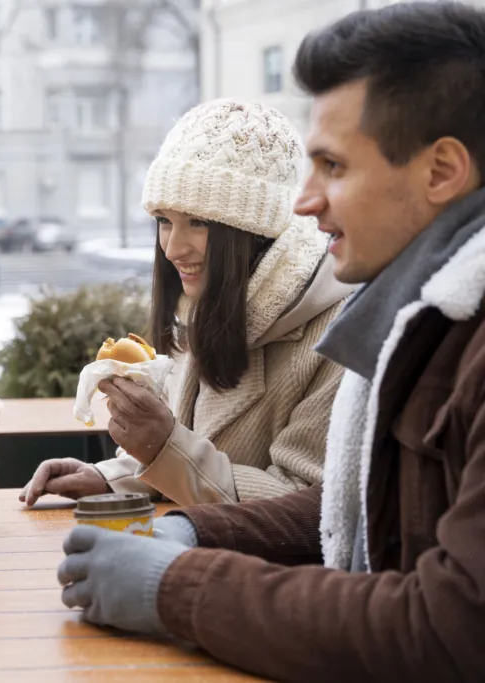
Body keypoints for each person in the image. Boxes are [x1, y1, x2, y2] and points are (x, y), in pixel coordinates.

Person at [57, 3, 485, 680]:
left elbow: (450, 628)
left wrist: (178, 585)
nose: (304, 203)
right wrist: (191, 529)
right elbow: (339, 510)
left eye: (333, 167)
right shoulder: (418, 320)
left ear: (440, 172)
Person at [22, 99, 352, 507]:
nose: (173, 248)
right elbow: (188, 452)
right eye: (164, 220)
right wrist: (109, 477)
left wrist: (162, 444)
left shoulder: (341, 333)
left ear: (254, 229)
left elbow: (301, 507)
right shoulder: (207, 298)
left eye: (199, 222)